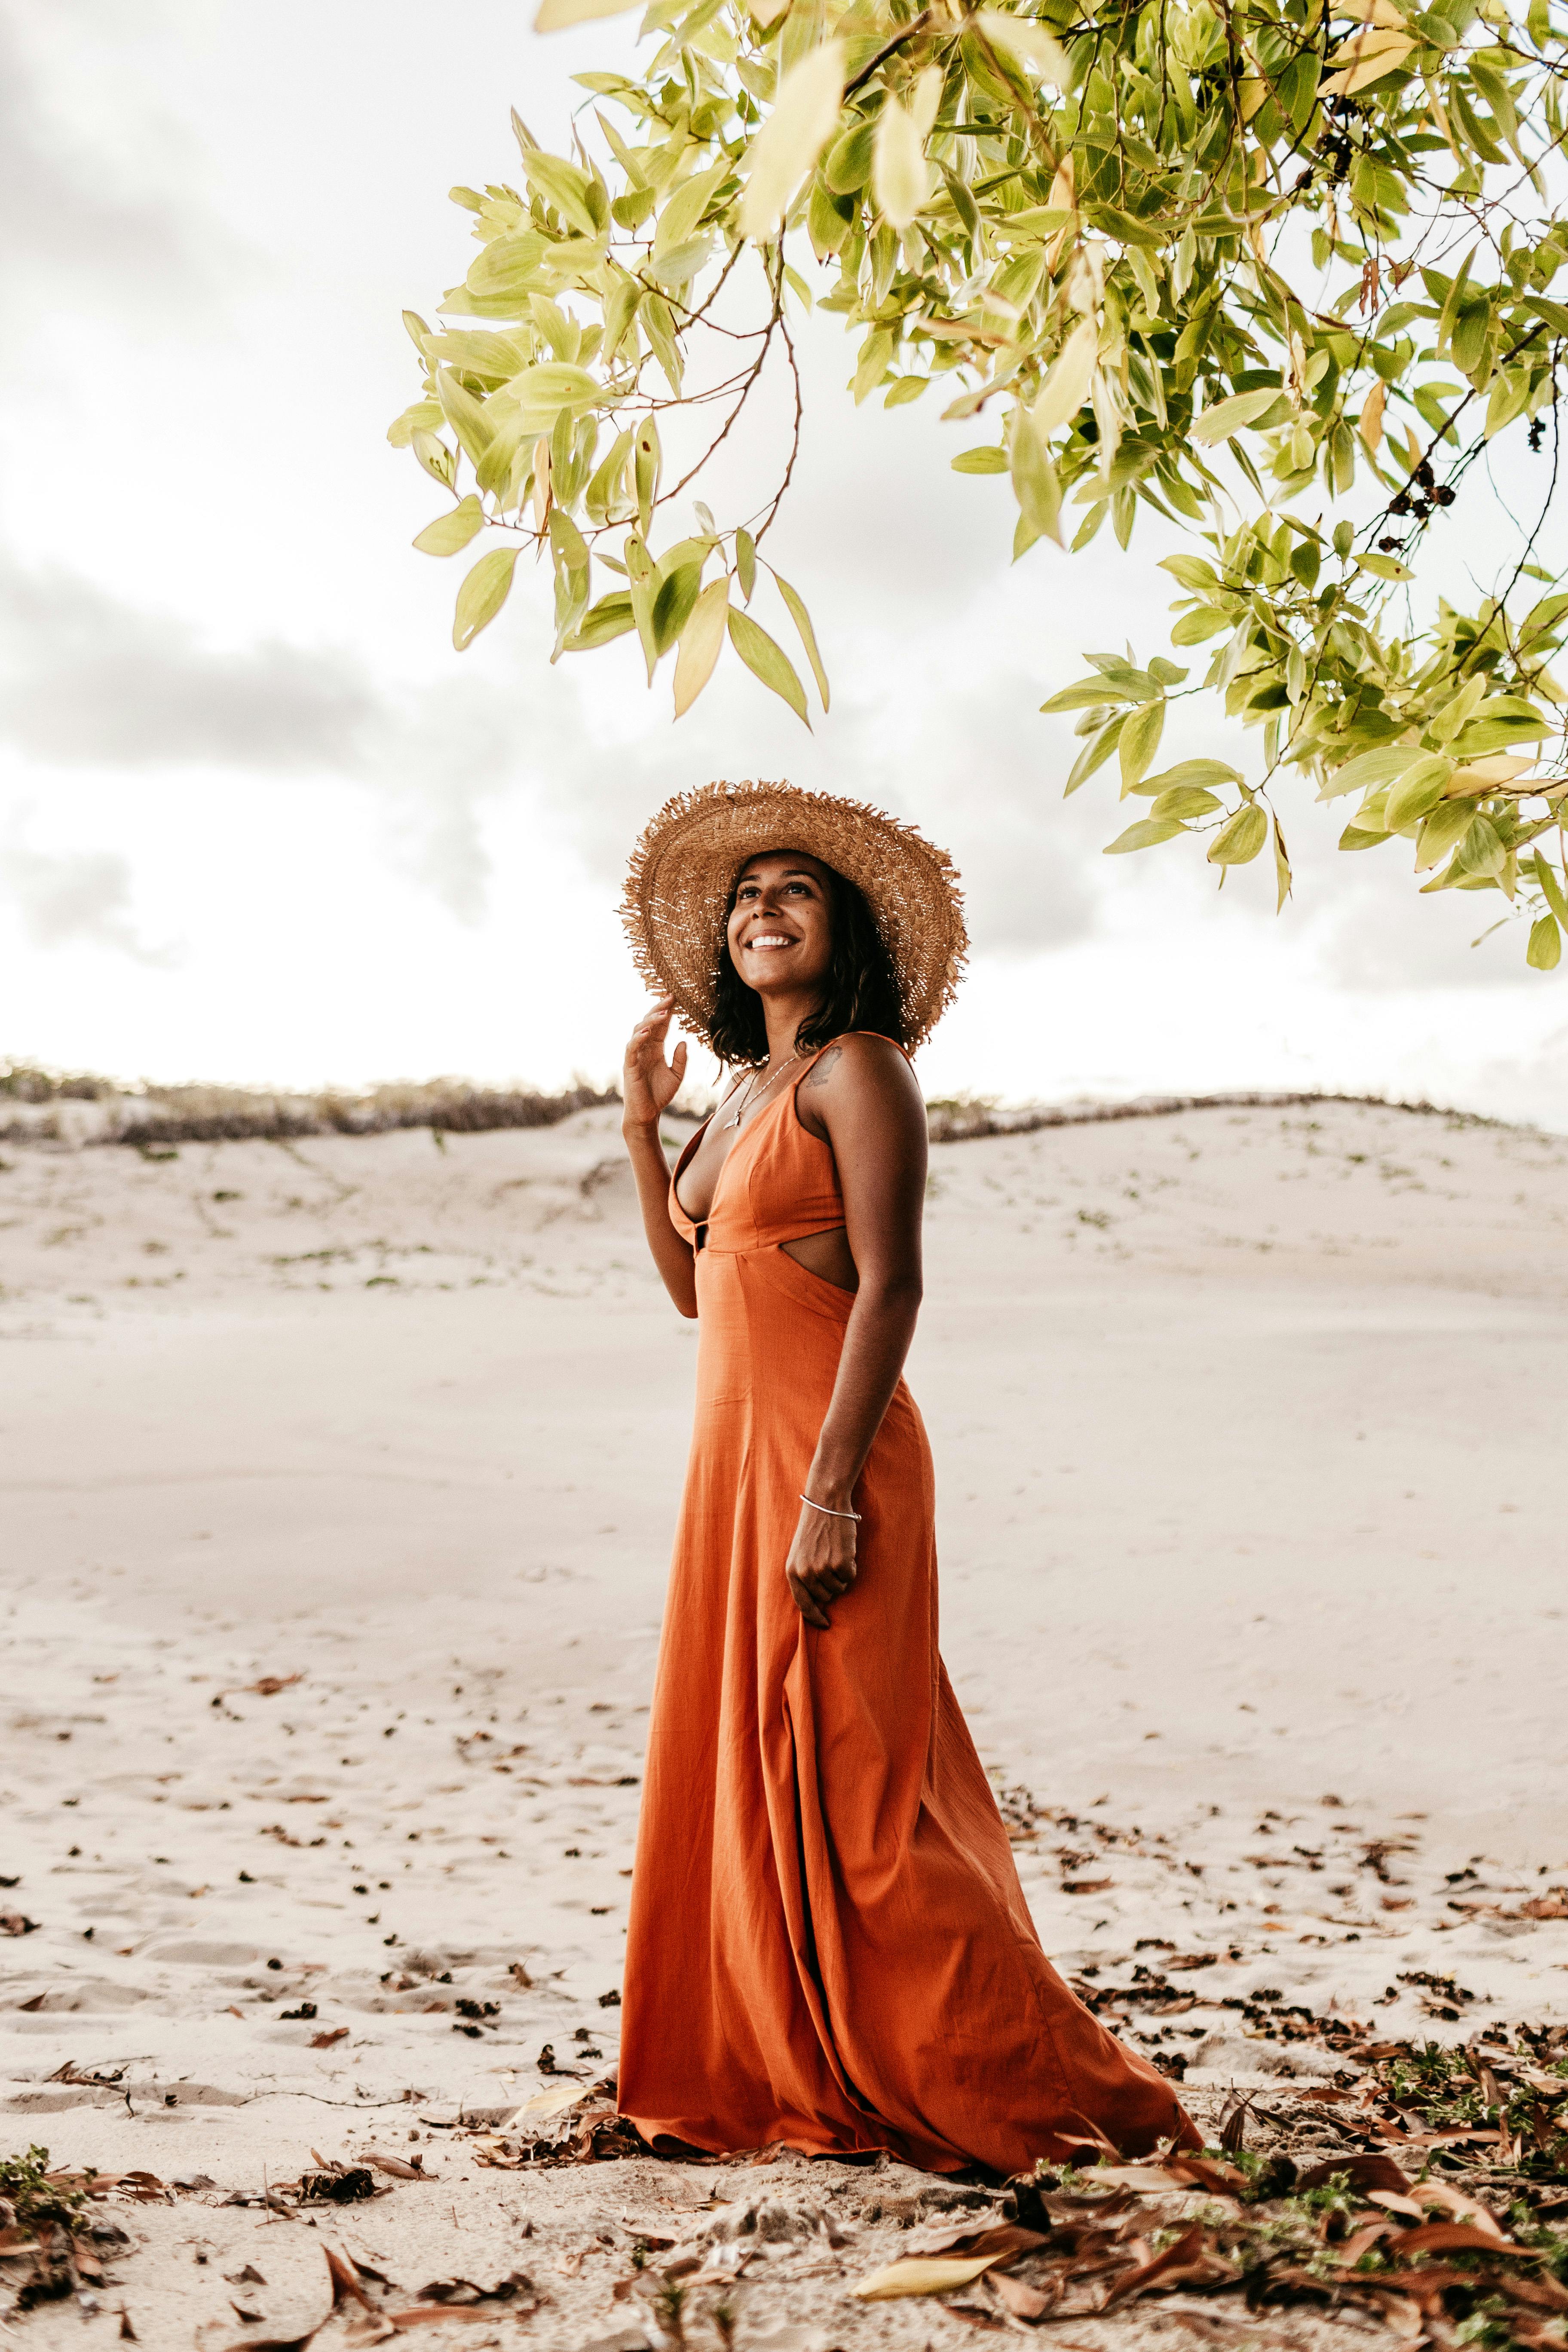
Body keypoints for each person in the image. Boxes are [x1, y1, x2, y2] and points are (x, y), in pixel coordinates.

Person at [614, 778, 1196, 2174]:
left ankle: (997, 2070)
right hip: (734, 1463)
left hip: (833, 1454)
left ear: (846, 929)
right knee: (753, 1766)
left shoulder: (857, 1068)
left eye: (795, 889)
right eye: (748, 893)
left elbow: (892, 1287)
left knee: (870, 1798)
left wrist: (831, 1493)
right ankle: (782, 2051)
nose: (765, 907)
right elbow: (694, 1291)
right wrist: (642, 1127)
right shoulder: (745, 1091)